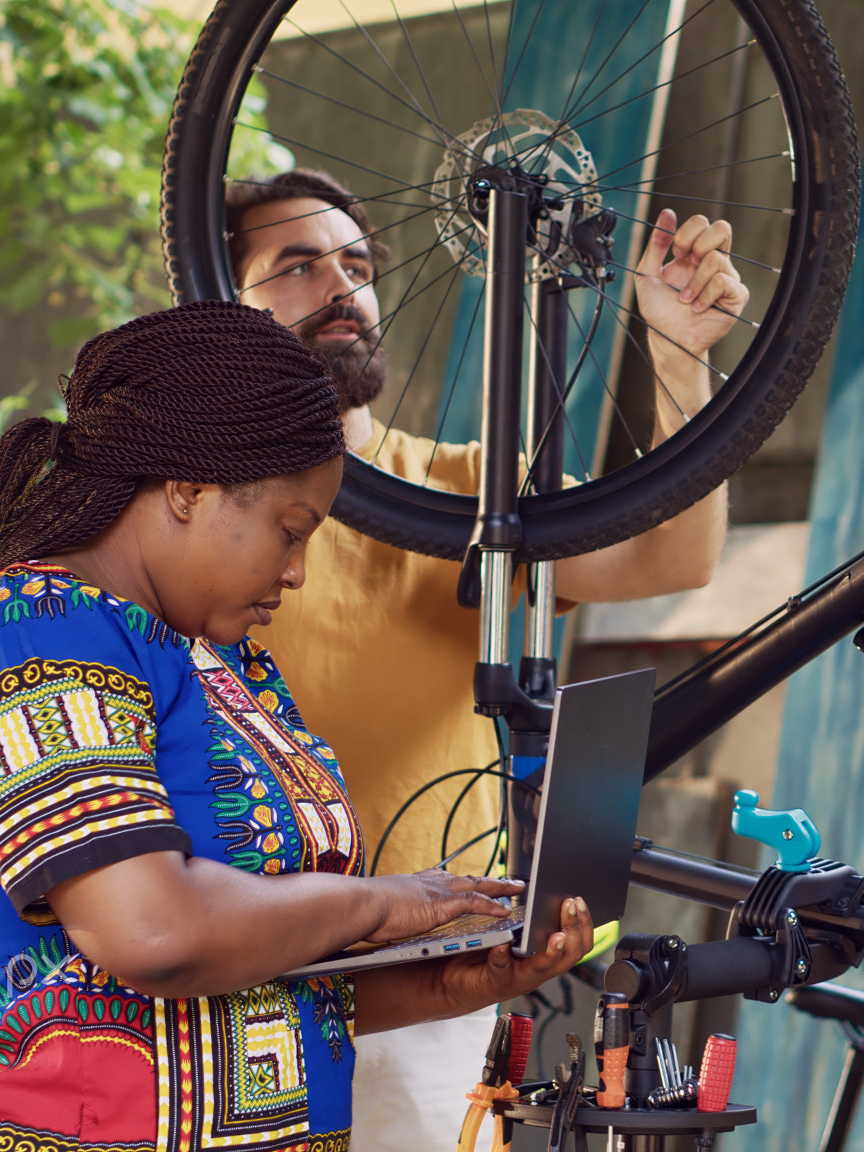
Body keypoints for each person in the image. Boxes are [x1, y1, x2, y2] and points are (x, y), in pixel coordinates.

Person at [0, 301, 593, 1152]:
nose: (298, 571)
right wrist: (385, 901)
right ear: (188, 490)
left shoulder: (214, 662)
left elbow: (260, 974)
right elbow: (156, 934)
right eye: (290, 531)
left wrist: (456, 981)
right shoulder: (24, 633)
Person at [222, 170, 743, 1149]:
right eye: (295, 265)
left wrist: (676, 359)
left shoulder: (467, 490)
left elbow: (676, 554)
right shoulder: (189, 517)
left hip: (426, 987)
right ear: (216, 294)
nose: (341, 285)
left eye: (356, 262)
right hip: (238, 982)